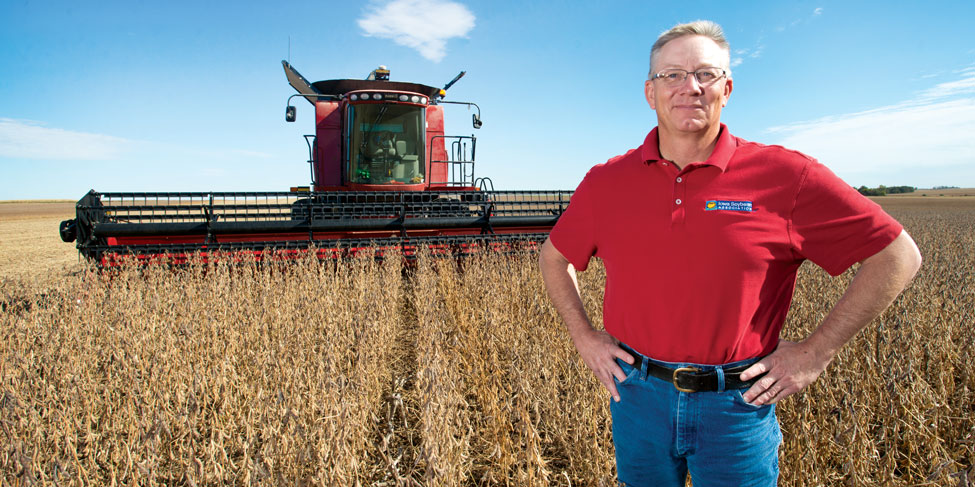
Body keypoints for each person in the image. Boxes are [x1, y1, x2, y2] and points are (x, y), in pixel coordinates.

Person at [538, 20, 922, 487]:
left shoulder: (787, 176)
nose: (690, 86)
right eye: (672, 75)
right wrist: (583, 337)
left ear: (728, 88)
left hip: (738, 406)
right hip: (637, 397)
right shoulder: (606, 182)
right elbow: (554, 257)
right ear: (650, 93)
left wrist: (815, 353)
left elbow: (898, 256)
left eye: (706, 74)